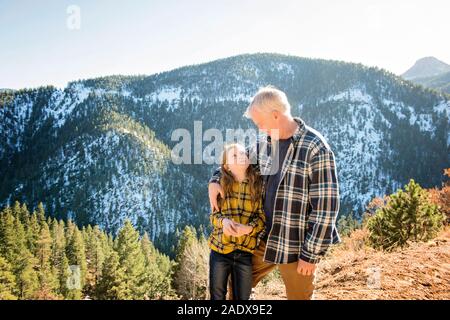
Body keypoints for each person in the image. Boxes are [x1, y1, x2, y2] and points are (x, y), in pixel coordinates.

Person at [208, 86, 341, 300]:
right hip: (261, 237)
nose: (259, 128)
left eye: (260, 123)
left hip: (295, 243)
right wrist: (215, 180)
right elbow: (233, 162)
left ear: (276, 115)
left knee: (299, 298)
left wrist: (311, 255)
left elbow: (326, 209)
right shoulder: (264, 144)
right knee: (236, 289)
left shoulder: (316, 148)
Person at [208, 143, 266, 300]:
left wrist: (249, 229)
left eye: (242, 153)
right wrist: (224, 222)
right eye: (234, 156)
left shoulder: (258, 186)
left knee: (243, 297)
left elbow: (261, 217)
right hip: (220, 249)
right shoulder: (221, 185)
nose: (241, 156)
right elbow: (213, 216)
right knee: (217, 295)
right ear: (226, 167)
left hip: (245, 251)